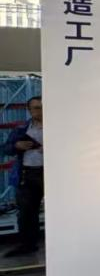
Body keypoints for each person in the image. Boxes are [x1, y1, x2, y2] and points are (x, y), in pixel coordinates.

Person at [6, 96, 43, 256]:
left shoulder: (57, 128)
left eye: (42, 107)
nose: (40, 111)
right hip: (27, 173)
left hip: (51, 173)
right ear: (29, 110)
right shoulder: (22, 129)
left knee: (61, 209)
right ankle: (28, 245)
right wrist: (17, 145)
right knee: (27, 212)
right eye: (36, 108)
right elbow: (6, 148)